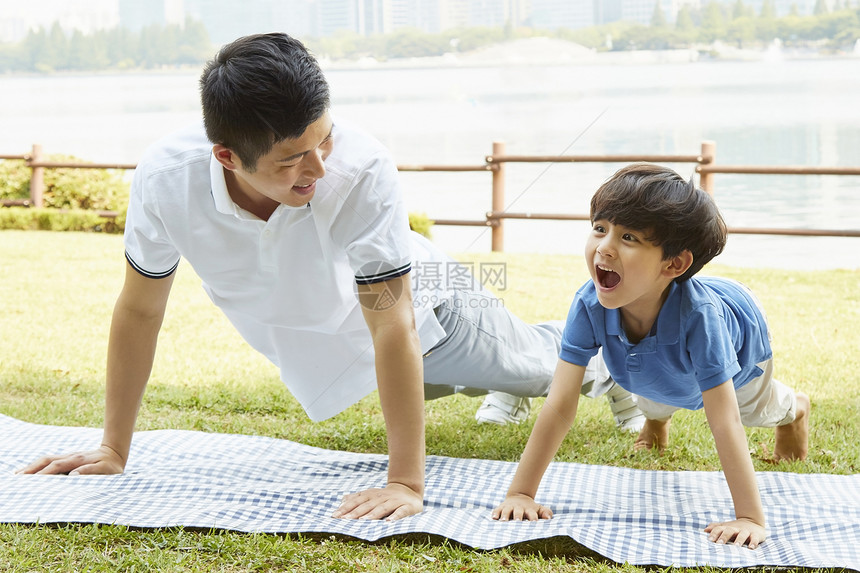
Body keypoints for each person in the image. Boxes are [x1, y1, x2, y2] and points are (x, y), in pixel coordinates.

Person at [17, 33, 643, 521]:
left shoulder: (362, 167)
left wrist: (405, 482)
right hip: (350, 353)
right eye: (292, 160)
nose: (318, 167)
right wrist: (113, 449)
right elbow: (140, 310)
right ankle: (520, 374)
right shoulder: (165, 180)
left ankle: (597, 355)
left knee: (544, 368)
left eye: (325, 139)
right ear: (228, 158)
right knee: (490, 373)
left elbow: (394, 319)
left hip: (431, 318)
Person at [492, 163, 810, 549]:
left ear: (673, 264)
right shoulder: (589, 304)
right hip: (654, 367)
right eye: (599, 228)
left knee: (755, 410)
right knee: (647, 381)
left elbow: (723, 420)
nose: (604, 246)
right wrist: (521, 493)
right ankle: (657, 423)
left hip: (741, 355)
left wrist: (749, 517)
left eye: (628, 237)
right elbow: (560, 404)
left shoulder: (701, 319)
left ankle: (795, 409)